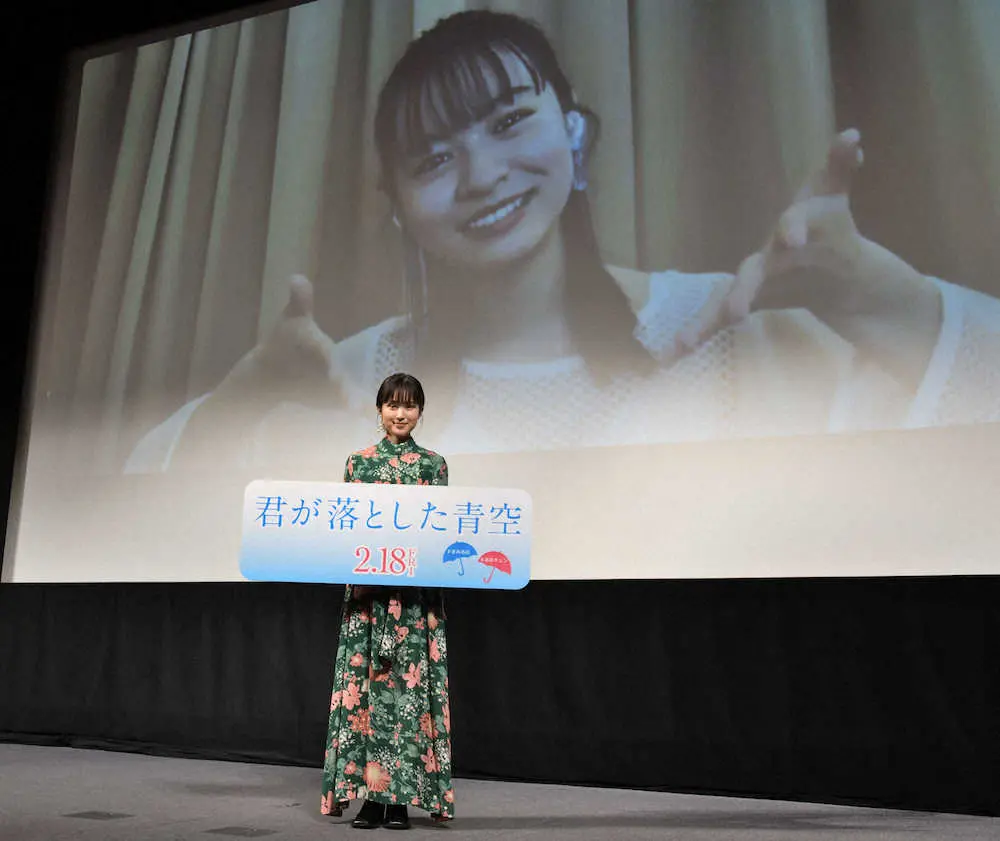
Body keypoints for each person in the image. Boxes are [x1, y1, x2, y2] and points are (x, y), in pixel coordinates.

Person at [125, 9, 1000, 473]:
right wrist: (243, 398)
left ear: (576, 136)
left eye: (511, 122)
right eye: (434, 158)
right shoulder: (352, 379)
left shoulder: (736, 327)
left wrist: (884, 300)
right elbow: (139, 482)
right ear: (397, 211)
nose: (481, 176)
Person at [321, 372, 454, 829]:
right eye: (393, 405)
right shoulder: (358, 464)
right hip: (366, 601)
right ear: (378, 409)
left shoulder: (433, 466)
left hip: (414, 602)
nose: (401, 414)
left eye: (410, 405)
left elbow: (441, 534)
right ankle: (368, 800)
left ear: (421, 411)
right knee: (366, 694)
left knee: (407, 697)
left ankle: (399, 800)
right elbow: (343, 531)